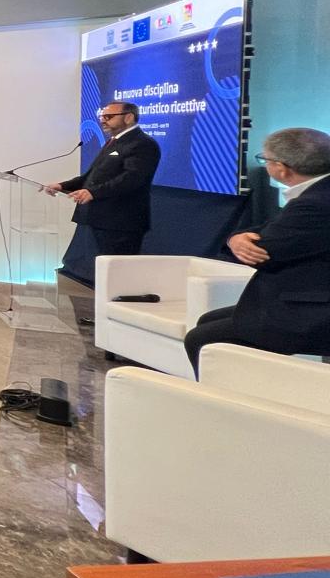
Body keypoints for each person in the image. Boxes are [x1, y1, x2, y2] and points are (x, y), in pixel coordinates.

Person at [184, 127, 330, 374]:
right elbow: (269, 230)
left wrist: (239, 241)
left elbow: (263, 254)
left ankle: (226, 396)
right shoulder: (318, 192)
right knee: (208, 321)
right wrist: (236, 239)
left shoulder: (314, 204)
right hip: (302, 293)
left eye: (266, 159)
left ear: (281, 168)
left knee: (201, 340)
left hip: (313, 308)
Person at [47, 101, 162, 256]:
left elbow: (131, 179)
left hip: (121, 221)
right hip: (99, 217)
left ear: (128, 117)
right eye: (101, 117)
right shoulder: (113, 141)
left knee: (116, 267)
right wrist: (62, 186)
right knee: (96, 265)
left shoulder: (143, 144)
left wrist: (93, 192)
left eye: (108, 117)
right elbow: (92, 176)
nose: (102, 121)